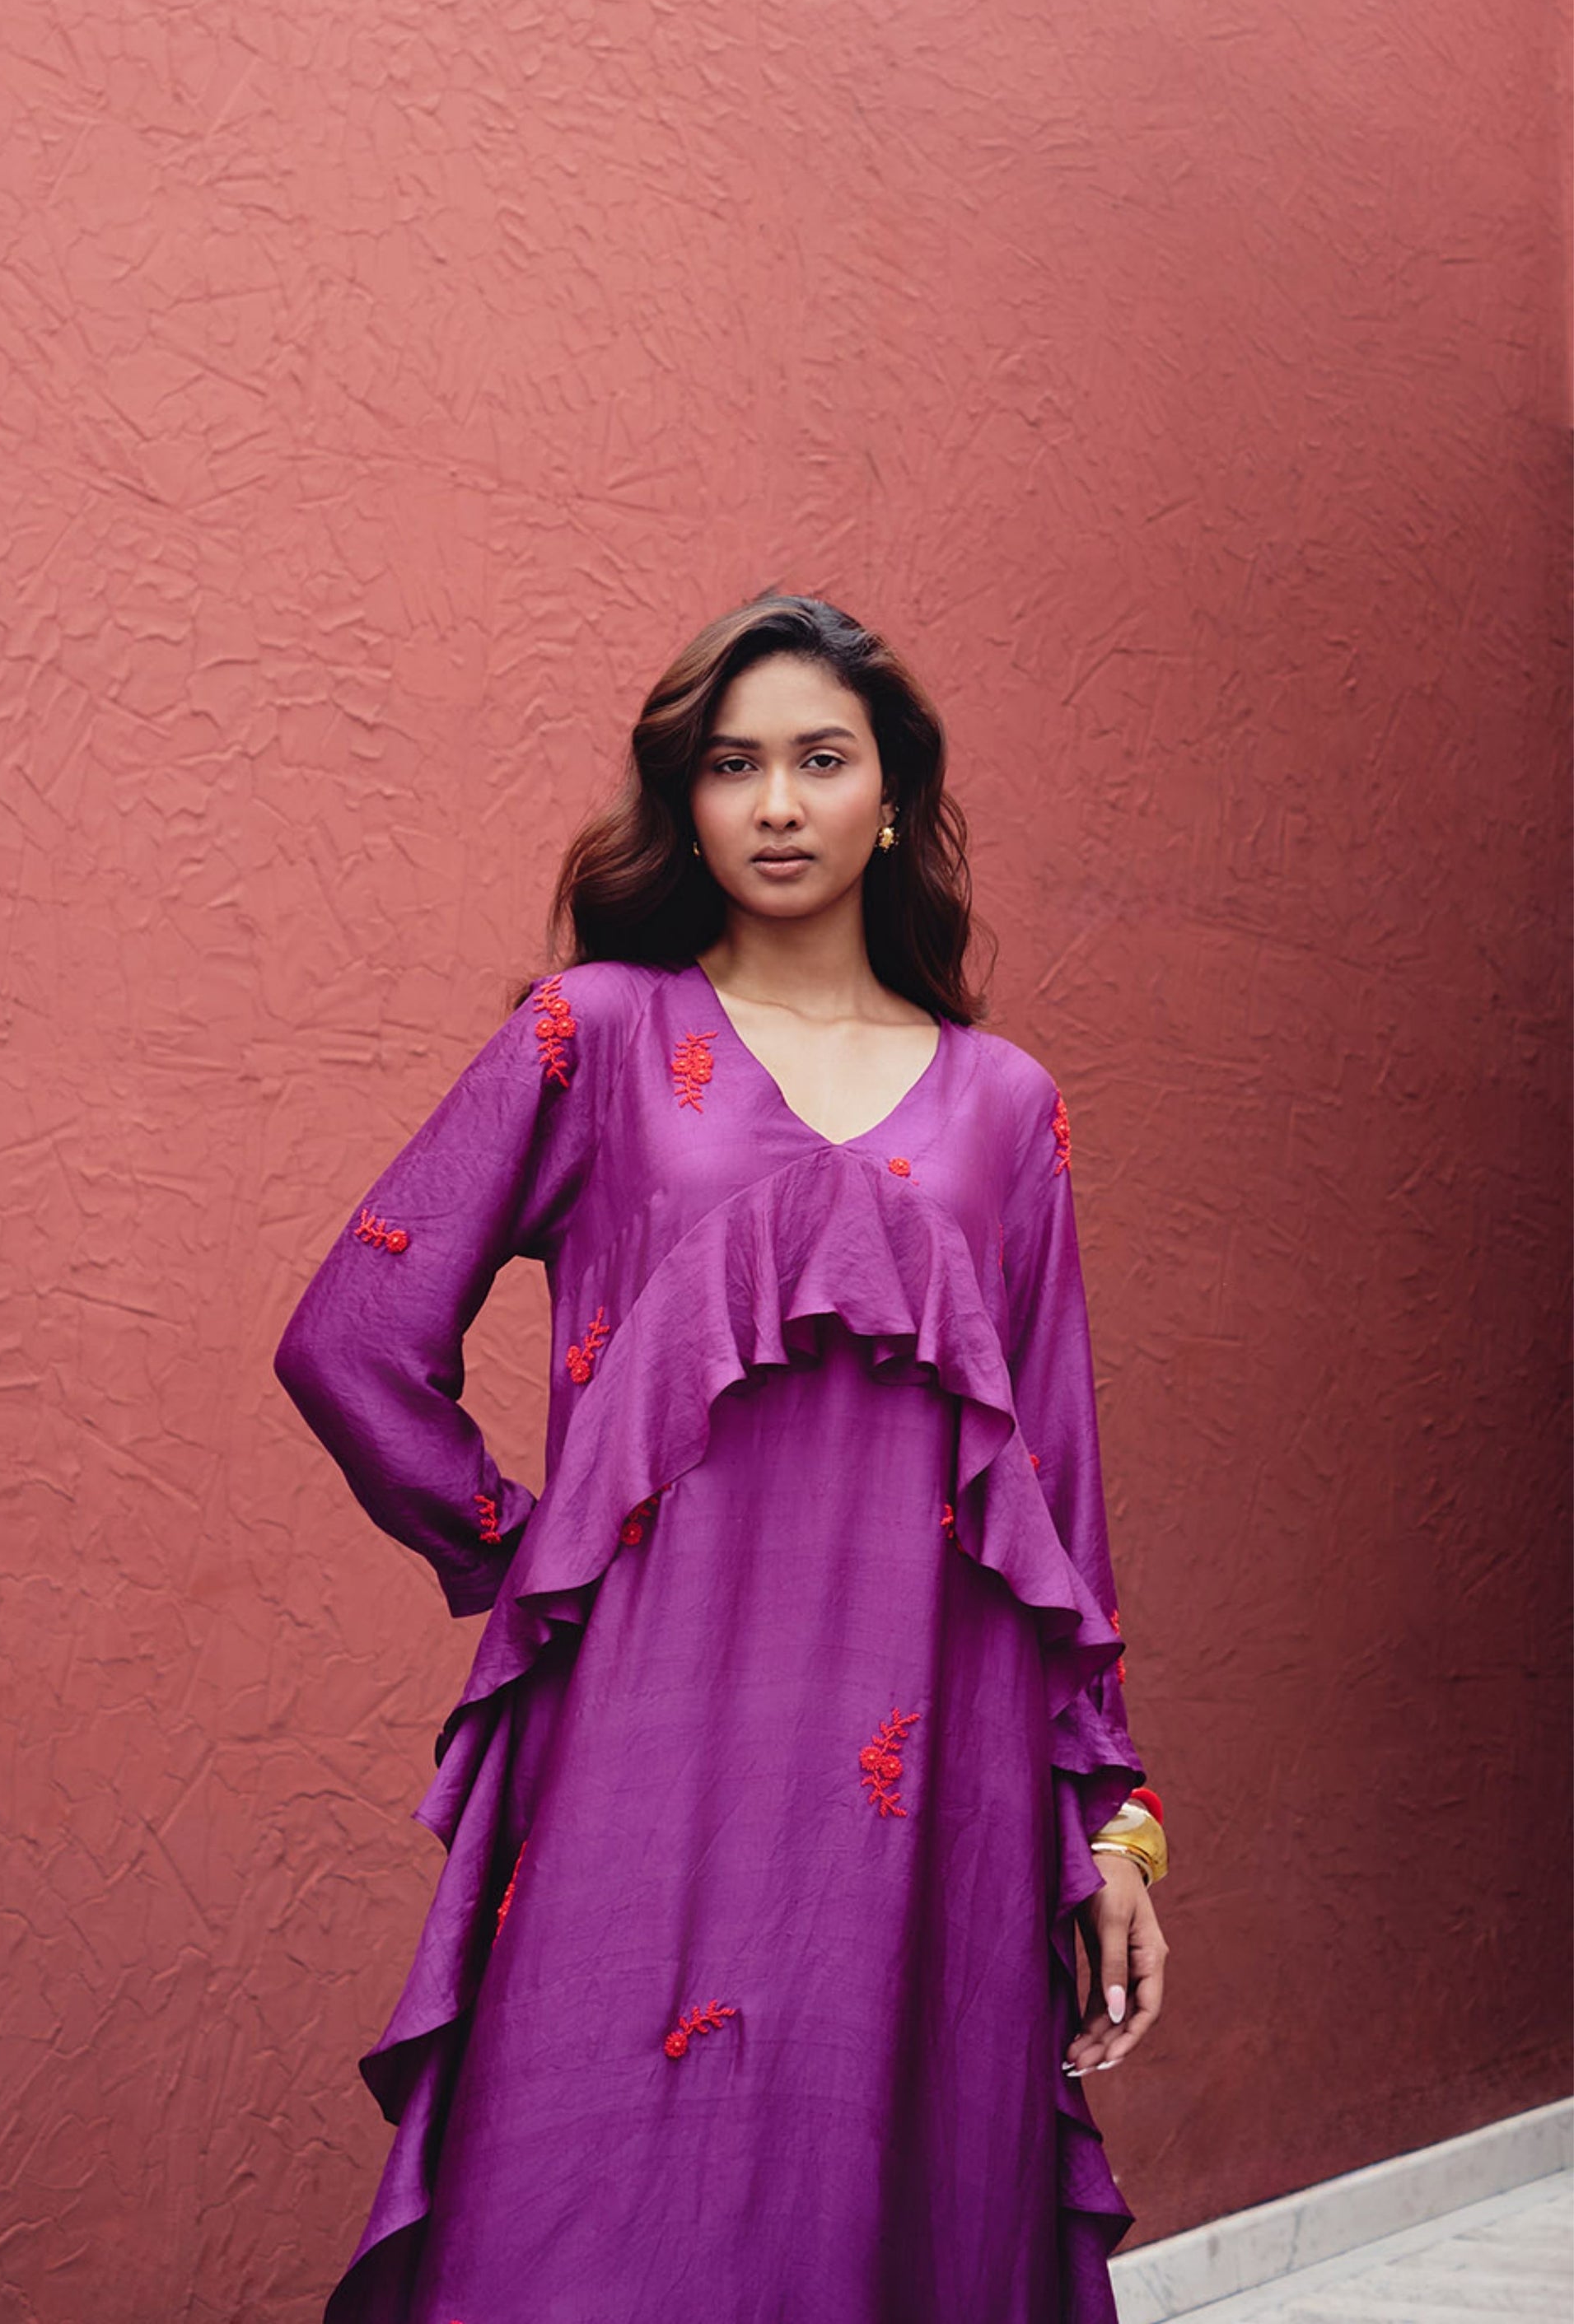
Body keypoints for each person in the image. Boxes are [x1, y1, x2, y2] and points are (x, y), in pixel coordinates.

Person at [274, 593, 1170, 2324]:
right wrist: (533, 1559)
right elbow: (352, 1341)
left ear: (892, 798)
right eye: (730, 766)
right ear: (683, 803)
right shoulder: (596, 1034)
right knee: (589, 2200)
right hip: (649, 1739)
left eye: (820, 761)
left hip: (939, 1747)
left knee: (893, 2194)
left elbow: (1055, 1480)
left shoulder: (1005, 1103)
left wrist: (1118, 1820)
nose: (773, 805)